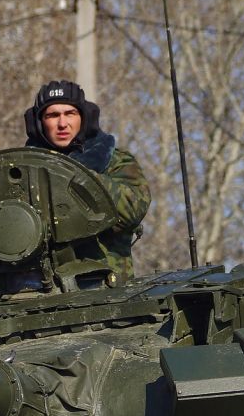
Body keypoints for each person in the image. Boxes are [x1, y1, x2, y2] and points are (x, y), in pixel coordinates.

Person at [23, 80, 150, 283]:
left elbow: (132, 210)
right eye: (52, 115)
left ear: (84, 117)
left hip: (103, 287)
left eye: (70, 113)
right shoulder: (21, 170)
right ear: (39, 123)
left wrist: (75, 177)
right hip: (39, 290)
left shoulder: (113, 161)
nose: (62, 123)